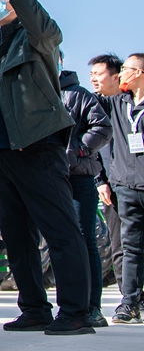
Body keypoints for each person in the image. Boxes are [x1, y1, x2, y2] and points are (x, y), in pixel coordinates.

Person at [0, 0, 92, 335]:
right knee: (18, 237)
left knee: (60, 231)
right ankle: (35, 308)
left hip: (37, 147)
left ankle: (76, 313)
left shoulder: (37, 38)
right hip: (4, 155)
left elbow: (43, 27)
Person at [59, 51, 113, 325]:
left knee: (85, 239)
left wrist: (78, 149)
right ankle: (68, 305)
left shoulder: (77, 94)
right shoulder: (34, 93)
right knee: (59, 241)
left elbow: (103, 127)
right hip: (49, 179)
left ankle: (93, 307)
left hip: (79, 178)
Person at [100, 53, 144, 324]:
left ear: (138, 73)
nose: (120, 75)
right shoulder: (116, 105)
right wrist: (102, 180)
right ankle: (129, 303)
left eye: (125, 69)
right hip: (126, 187)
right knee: (131, 247)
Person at [91, 54, 125, 290]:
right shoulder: (92, 106)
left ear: (116, 77)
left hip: (135, 182)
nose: (94, 78)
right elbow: (89, 148)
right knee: (119, 243)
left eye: (99, 73)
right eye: (92, 74)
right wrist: (100, 180)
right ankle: (130, 297)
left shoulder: (131, 104)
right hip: (110, 186)